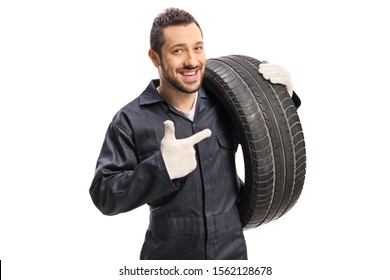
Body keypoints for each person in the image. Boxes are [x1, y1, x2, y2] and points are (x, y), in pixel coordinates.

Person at [89, 7, 301, 260]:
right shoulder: (130, 119)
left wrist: (280, 97)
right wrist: (162, 168)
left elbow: (268, 134)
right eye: (178, 50)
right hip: (167, 261)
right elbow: (104, 194)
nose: (191, 60)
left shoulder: (228, 105)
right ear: (155, 58)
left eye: (198, 48)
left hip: (231, 258)